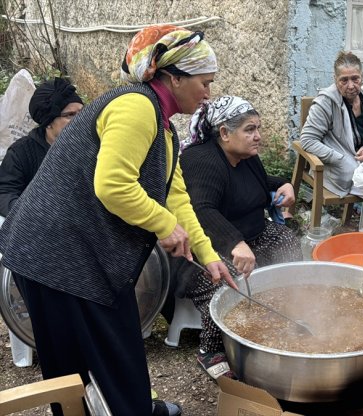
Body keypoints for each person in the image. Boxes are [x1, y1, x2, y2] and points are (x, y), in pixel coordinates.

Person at [0, 25, 235, 416]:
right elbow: (112, 186)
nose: (209, 93)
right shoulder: (134, 107)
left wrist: (209, 256)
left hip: (78, 252)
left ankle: (134, 407)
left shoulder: (163, 127)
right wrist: (164, 225)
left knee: (113, 351)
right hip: (54, 252)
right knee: (82, 359)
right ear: (174, 77)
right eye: (204, 82)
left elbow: (175, 195)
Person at [173, 95, 302, 380]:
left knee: (288, 242)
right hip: (205, 249)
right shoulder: (202, 161)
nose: (257, 136)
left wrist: (285, 184)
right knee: (229, 280)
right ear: (224, 133)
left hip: (250, 236)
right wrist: (235, 243)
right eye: (249, 129)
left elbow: (259, 185)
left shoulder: (247, 158)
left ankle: (282, 310)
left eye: (258, 128)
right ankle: (210, 349)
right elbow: (199, 210)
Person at [301, 51, 363, 217]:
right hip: (339, 169)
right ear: (335, 80)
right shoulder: (325, 103)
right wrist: (339, 159)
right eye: (344, 80)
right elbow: (307, 140)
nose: (351, 85)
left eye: (355, 78)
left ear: (362, 77)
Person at [0, 77, 83, 216]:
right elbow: (5, 192)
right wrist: (34, 216)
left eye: (82, 112)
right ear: (49, 122)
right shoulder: (21, 153)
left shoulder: (92, 146)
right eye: (70, 115)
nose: (80, 119)